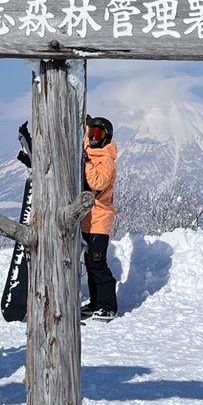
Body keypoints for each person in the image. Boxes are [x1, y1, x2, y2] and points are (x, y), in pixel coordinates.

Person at [81, 114, 118, 322]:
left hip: (100, 220)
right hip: (87, 219)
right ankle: (95, 303)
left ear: (106, 138)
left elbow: (97, 183)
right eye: (91, 133)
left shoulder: (105, 161)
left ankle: (108, 305)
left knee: (97, 262)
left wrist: (86, 163)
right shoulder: (90, 153)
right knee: (89, 263)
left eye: (98, 134)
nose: (93, 138)